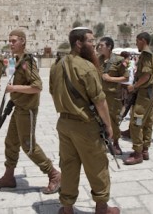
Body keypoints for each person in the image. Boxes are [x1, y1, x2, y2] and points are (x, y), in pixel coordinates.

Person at [50, 27, 120, 214]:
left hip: (64, 124)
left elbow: (52, 92)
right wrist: (108, 126)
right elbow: (100, 100)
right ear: (79, 43)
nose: (94, 45)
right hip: (85, 126)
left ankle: (66, 208)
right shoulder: (87, 67)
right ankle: (102, 208)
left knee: (69, 165)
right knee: (97, 166)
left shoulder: (57, 66)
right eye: (90, 41)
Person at [0, 29, 61, 195]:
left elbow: (37, 86)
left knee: (28, 146)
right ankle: (9, 176)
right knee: (11, 142)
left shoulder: (27, 62)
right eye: (10, 40)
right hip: (18, 108)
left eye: (14, 41)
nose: (11, 43)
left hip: (27, 110)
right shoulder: (17, 59)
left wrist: (13, 88)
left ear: (23, 41)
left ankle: (53, 174)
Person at [123, 32, 153, 165]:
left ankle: (138, 153)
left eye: (137, 41)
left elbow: (146, 75)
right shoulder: (151, 55)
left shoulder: (147, 55)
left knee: (136, 121)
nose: (136, 44)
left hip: (144, 93)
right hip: (149, 93)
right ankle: (144, 150)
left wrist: (134, 86)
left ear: (142, 40)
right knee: (147, 121)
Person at [97, 37, 129, 155]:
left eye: (102, 45)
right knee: (99, 120)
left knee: (114, 121)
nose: (99, 47)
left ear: (109, 47)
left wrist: (111, 79)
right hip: (100, 96)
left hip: (113, 97)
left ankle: (115, 143)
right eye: (99, 45)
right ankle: (103, 141)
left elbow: (126, 78)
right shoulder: (98, 60)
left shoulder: (119, 60)